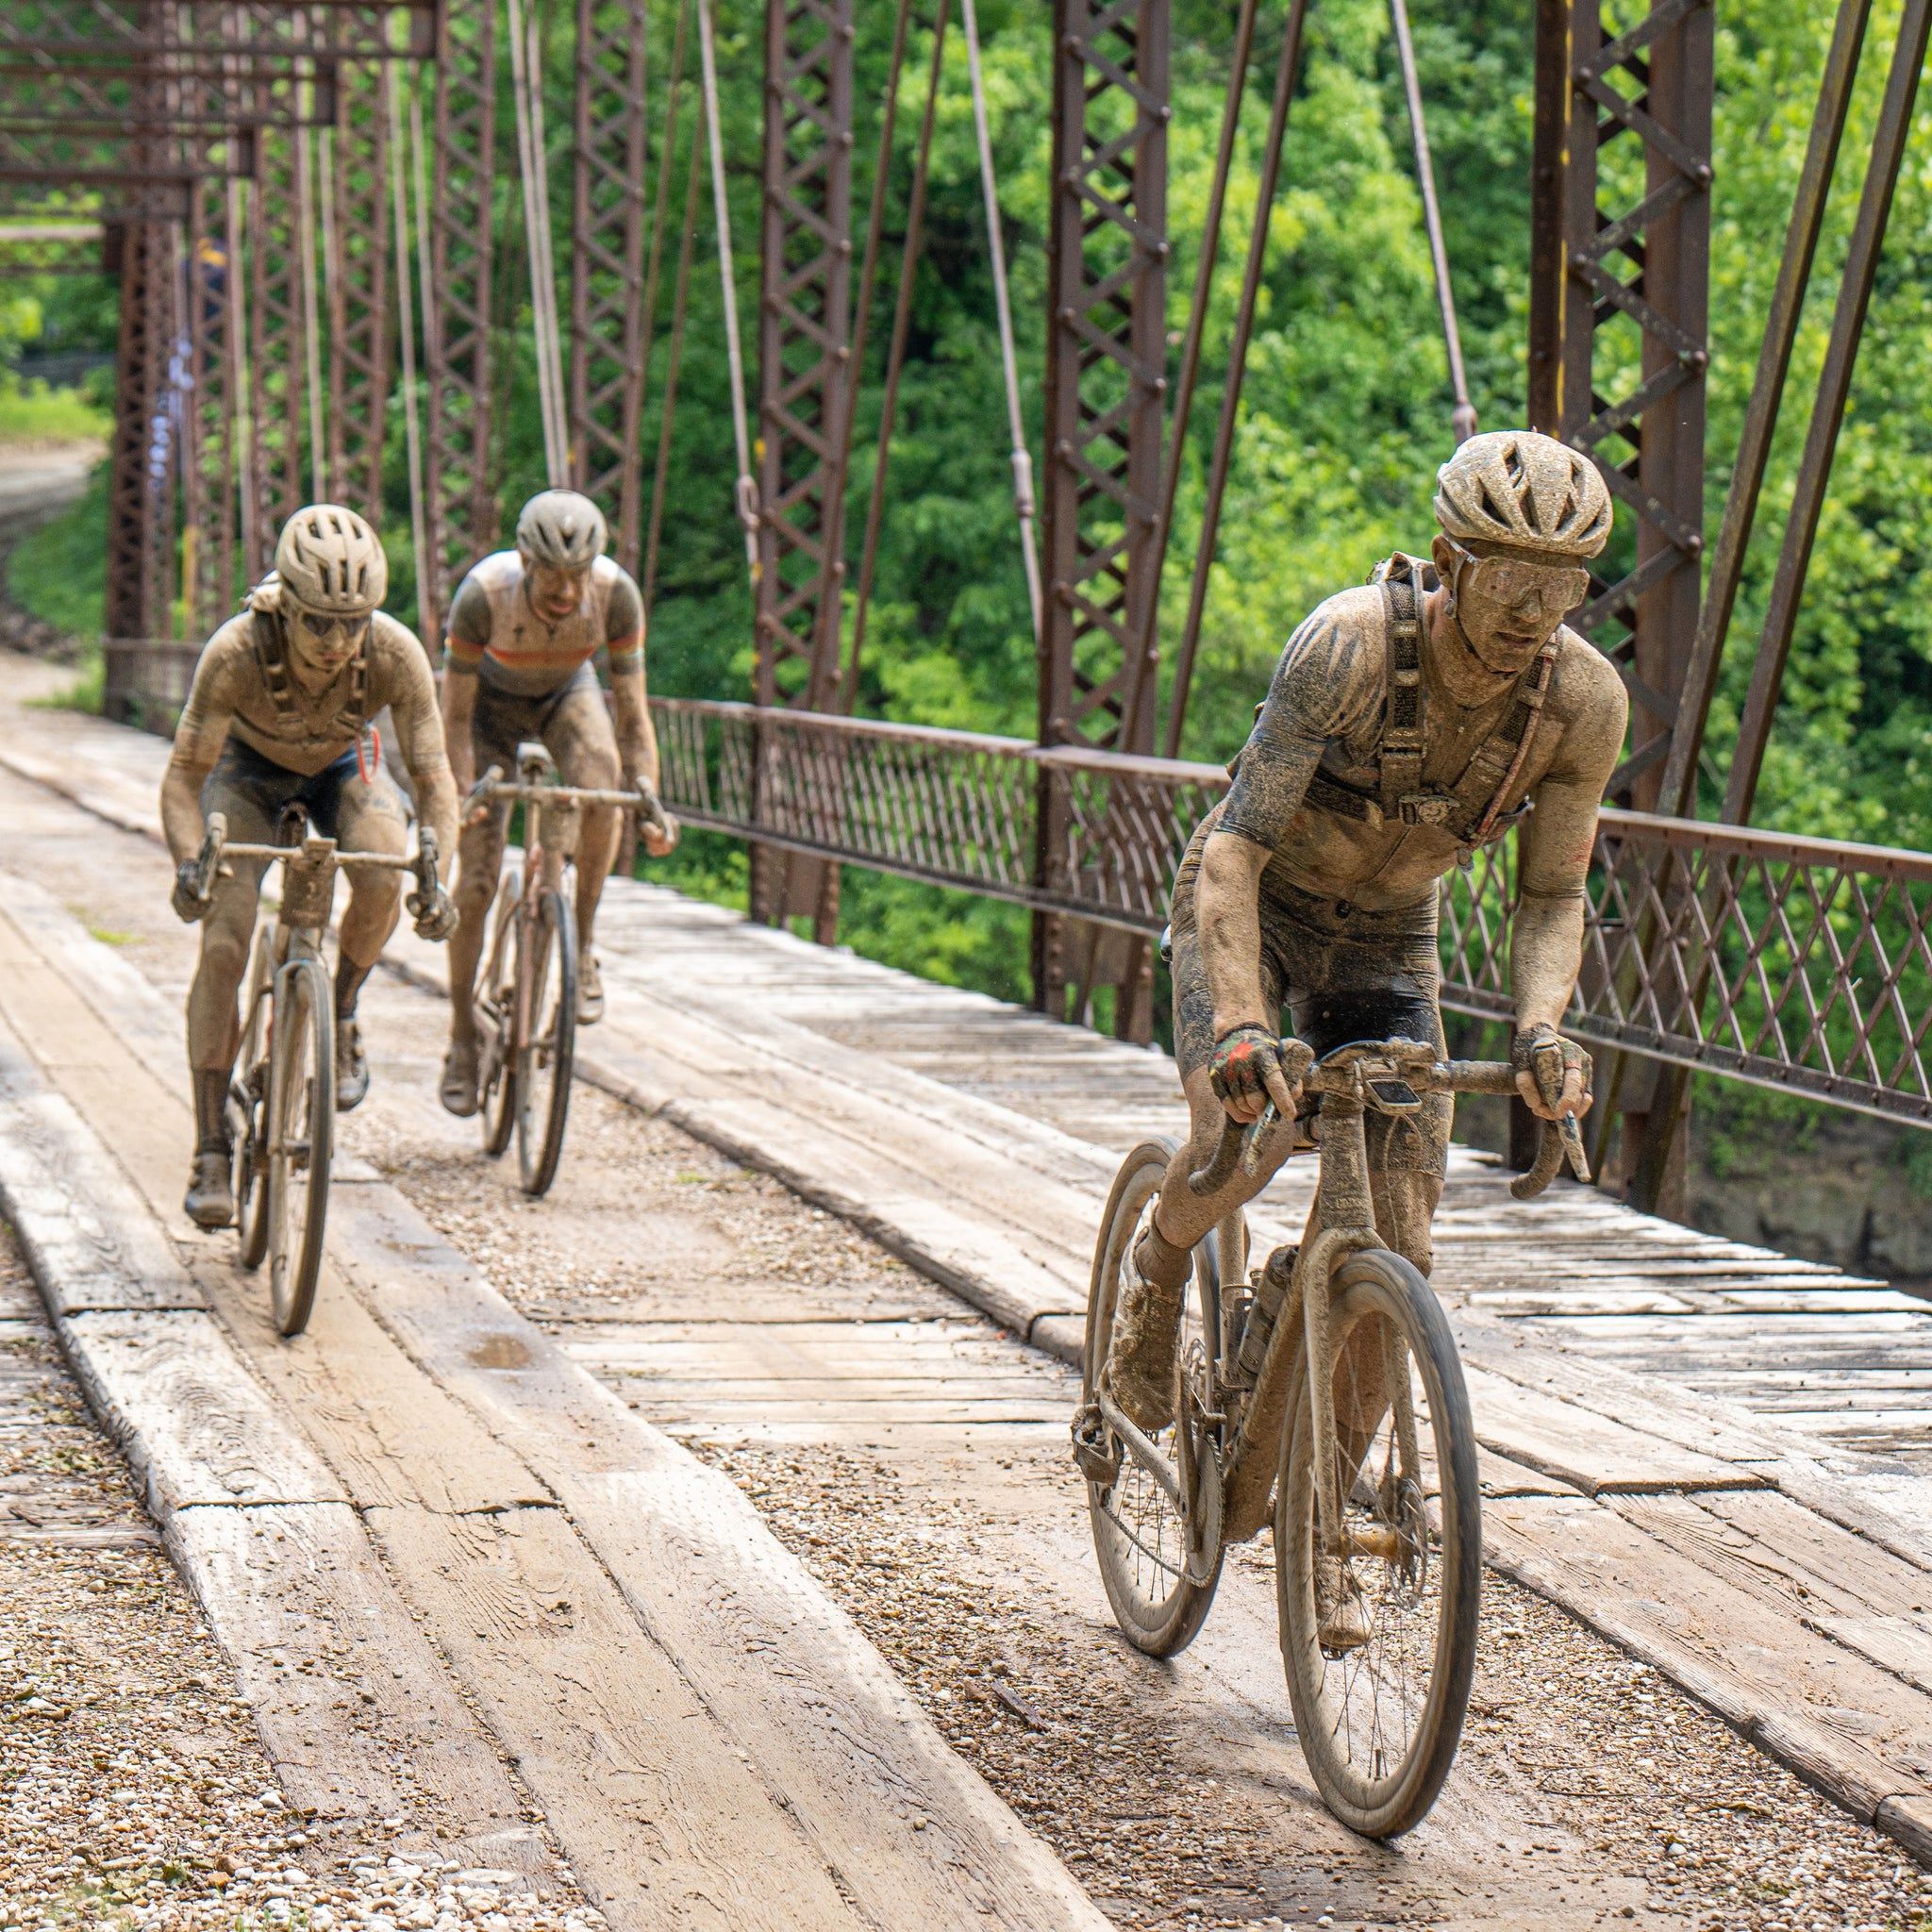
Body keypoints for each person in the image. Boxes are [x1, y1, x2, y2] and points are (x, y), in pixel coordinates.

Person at [1103, 431, 1625, 1609]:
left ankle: (1324, 1494)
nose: (1527, 622)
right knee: (1238, 1139)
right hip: (1257, 903)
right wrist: (1239, 1024)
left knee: (1405, 1238)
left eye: (1555, 598)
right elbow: (1232, 847)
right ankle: (1158, 1262)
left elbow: (1551, 892)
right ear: (1449, 562)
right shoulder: (1343, 646)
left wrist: (1542, 1026)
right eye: (1505, 591)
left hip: (1388, 937)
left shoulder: (1583, 701)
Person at [162, 505, 459, 1230]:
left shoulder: (394, 653)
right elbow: (181, 780)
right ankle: (210, 1145)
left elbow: (435, 777)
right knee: (226, 944)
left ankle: (344, 1008)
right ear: (283, 606)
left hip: (344, 764)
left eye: (353, 622)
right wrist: (190, 865)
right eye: (319, 622)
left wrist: (437, 871)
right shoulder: (235, 653)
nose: (338, 641)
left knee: (386, 866)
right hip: (246, 772)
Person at [437, 489, 676, 1116]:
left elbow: (632, 718)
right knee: (476, 882)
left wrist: (646, 793)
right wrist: (463, 794)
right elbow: (454, 720)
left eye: (578, 577)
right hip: (487, 709)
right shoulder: (481, 596)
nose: (566, 592)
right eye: (553, 576)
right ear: (525, 560)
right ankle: (463, 1033)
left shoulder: (616, 596)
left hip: (566, 693)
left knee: (602, 782)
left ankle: (584, 942)